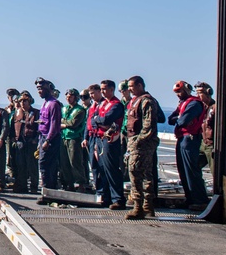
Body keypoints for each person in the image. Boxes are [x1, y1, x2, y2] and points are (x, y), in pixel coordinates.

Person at [169, 80, 208, 210]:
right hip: (182, 138)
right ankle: (190, 198)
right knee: (183, 171)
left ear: (186, 90)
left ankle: (199, 199)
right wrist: (179, 119)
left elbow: (183, 121)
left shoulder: (194, 103)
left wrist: (179, 119)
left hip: (190, 138)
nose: (178, 94)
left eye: (179, 91)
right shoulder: (183, 104)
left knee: (191, 170)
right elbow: (171, 120)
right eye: (176, 92)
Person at [124, 75, 159, 219]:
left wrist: (138, 141)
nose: (130, 89)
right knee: (138, 173)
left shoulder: (147, 101)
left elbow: (148, 125)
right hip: (134, 141)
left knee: (137, 173)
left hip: (143, 144)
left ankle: (141, 206)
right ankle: (144, 206)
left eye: (132, 86)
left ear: (139, 85)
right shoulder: (135, 101)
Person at [91, 80, 126, 209]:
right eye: (101, 89)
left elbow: (106, 119)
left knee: (111, 168)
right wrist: (99, 121)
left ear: (112, 89)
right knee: (102, 169)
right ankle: (106, 197)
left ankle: (118, 198)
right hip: (99, 138)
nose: (103, 92)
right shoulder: (102, 104)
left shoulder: (116, 105)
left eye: (105, 89)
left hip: (110, 139)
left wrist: (99, 120)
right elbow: (93, 120)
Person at [35, 77, 62, 196]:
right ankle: (47, 192)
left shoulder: (53, 104)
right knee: (44, 165)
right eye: (38, 89)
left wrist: (48, 140)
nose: (39, 91)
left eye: (41, 88)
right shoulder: (45, 103)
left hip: (50, 139)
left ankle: (48, 192)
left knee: (47, 165)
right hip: (42, 137)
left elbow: (55, 124)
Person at [10, 91, 40, 193]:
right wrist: (13, 138)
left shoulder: (36, 113)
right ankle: (22, 186)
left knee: (32, 166)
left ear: (30, 101)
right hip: (20, 142)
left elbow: (39, 128)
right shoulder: (16, 113)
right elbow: (12, 127)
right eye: (21, 101)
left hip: (31, 142)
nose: (23, 103)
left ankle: (34, 187)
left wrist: (36, 139)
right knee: (20, 165)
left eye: (25, 101)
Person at [60, 88, 87, 191]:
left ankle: (80, 183)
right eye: (67, 96)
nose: (68, 98)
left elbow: (73, 124)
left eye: (71, 97)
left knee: (75, 161)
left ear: (75, 98)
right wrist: (64, 123)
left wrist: (63, 123)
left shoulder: (80, 110)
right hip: (64, 137)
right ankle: (68, 184)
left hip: (74, 138)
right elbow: (59, 120)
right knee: (64, 162)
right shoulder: (64, 108)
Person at [195, 81, 216, 172]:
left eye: (200, 93)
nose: (197, 96)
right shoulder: (201, 107)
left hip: (211, 145)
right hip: (203, 142)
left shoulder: (215, 108)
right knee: (194, 166)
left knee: (215, 171)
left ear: (208, 93)